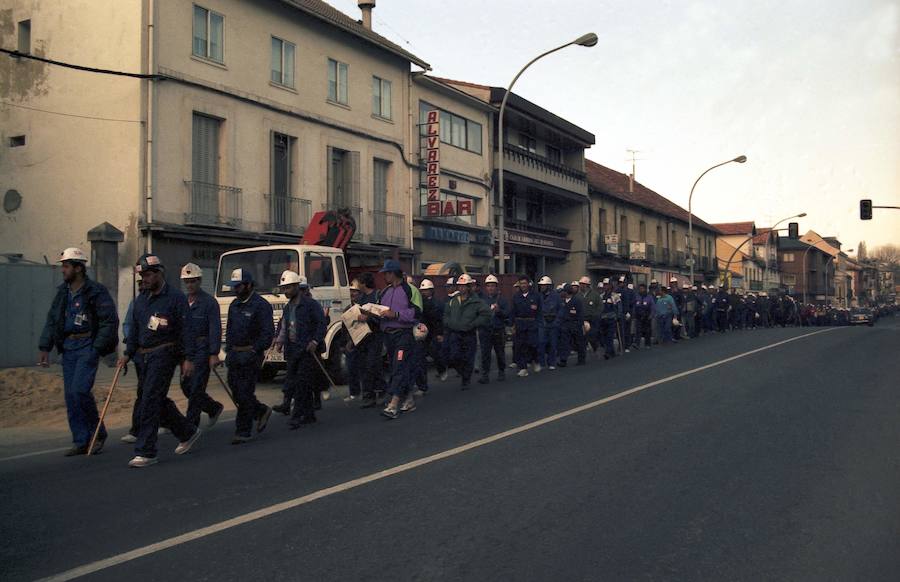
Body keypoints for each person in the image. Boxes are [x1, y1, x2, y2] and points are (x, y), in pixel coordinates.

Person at [118, 254, 201, 467]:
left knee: (149, 400)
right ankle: (187, 431)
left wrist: (188, 358)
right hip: (144, 355)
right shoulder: (141, 301)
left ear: (158, 273)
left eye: (147, 275)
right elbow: (135, 330)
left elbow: (187, 330)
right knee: (154, 398)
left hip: (165, 353)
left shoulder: (175, 298)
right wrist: (127, 353)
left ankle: (146, 451)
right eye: (141, 275)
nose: (143, 279)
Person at [38, 247, 119, 456]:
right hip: (69, 348)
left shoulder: (96, 291)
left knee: (80, 390)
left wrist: (97, 348)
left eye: (66, 266)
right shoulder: (62, 293)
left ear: (78, 268)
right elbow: (52, 320)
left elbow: (109, 321)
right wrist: (44, 347)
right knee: (71, 396)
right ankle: (81, 440)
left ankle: (97, 433)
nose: (63, 270)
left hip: (87, 346)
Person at [223, 268, 275, 444]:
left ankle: (243, 431)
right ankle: (261, 411)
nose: (235, 290)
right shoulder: (234, 305)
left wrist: (255, 350)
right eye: (234, 287)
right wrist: (228, 351)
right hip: (234, 355)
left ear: (248, 285)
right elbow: (229, 331)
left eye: (238, 286)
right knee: (236, 391)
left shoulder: (261, 306)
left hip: (251, 355)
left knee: (245, 392)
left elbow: (268, 333)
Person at [367, 260, 421, 419]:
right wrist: (368, 314)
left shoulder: (410, 290)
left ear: (394, 273)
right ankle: (409, 398)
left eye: (387, 273)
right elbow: (379, 312)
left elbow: (417, 313)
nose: (384, 276)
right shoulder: (384, 292)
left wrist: (396, 315)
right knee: (398, 368)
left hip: (403, 334)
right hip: (388, 336)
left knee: (398, 367)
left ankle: (393, 404)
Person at [274, 271, 326, 429]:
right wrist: (279, 341)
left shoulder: (310, 305)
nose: (286, 291)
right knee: (292, 381)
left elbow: (321, 323)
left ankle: (296, 416)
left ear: (297, 286)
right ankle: (309, 415)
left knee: (301, 384)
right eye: (284, 288)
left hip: (306, 350)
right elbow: (284, 326)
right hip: (292, 350)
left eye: (288, 288)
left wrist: (315, 341)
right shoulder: (288, 307)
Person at [178, 263, 224, 430]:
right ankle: (213, 407)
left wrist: (214, 353)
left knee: (197, 387)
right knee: (186, 386)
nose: (190, 285)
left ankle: (190, 427)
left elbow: (215, 328)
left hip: (202, 349)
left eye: (193, 281)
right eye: (187, 282)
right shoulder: (182, 302)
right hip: (186, 350)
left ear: (199, 281)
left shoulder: (209, 302)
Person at [443, 274, 491, 388]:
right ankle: (462, 372)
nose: (461, 288)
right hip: (455, 333)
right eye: (460, 286)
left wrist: (474, 324)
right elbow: (446, 315)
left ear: (469, 287)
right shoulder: (453, 300)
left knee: (469, 358)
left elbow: (486, 314)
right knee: (454, 356)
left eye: (464, 286)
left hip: (469, 334)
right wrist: (450, 323)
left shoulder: (476, 301)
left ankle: (466, 379)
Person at [416, 279, 447, 392]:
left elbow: (439, 320)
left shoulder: (437, 303)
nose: (424, 292)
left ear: (431, 291)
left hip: (433, 333)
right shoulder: (419, 303)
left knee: (436, 354)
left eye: (427, 290)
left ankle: (442, 369)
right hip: (423, 334)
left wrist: (440, 333)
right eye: (423, 291)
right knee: (421, 358)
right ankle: (422, 385)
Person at [479, 274, 510, 383]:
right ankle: (485, 375)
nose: (491, 288)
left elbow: (507, 314)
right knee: (485, 354)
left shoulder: (502, 299)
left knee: (500, 352)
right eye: (488, 286)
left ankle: (501, 372)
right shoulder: (482, 300)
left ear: (496, 287)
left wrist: (499, 311)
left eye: (493, 286)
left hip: (498, 329)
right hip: (485, 330)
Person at [511, 275, 542, 377]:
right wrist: (512, 325)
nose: (523, 285)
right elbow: (513, 312)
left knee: (532, 344)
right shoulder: (516, 296)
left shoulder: (535, 296)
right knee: (521, 346)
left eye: (524, 283)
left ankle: (536, 360)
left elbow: (539, 311)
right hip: (520, 324)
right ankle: (523, 367)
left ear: (528, 284)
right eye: (521, 283)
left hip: (532, 324)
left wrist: (538, 323)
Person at [557, 283, 586, 367]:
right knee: (564, 343)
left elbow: (580, 314)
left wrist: (581, 325)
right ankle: (563, 360)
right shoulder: (562, 301)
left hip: (575, 324)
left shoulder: (577, 301)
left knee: (579, 342)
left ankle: (581, 359)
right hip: (565, 325)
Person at [536, 276, 561, 370]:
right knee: (541, 343)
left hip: (553, 323)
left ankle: (552, 362)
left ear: (549, 286)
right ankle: (542, 362)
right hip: (542, 323)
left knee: (553, 344)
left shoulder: (556, 297)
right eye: (541, 286)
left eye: (544, 285)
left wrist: (556, 321)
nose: (542, 287)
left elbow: (560, 310)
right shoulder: (538, 296)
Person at [597, 279, 622, 359]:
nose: (605, 286)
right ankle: (611, 351)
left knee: (610, 336)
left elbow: (619, 307)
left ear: (610, 285)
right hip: (603, 319)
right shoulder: (601, 296)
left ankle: (608, 352)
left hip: (611, 319)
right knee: (604, 336)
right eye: (604, 285)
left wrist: (618, 316)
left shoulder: (615, 296)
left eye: (607, 284)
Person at [633, 283, 655, 349]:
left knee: (647, 331)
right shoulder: (636, 296)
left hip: (647, 316)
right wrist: (634, 314)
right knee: (638, 330)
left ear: (645, 289)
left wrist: (651, 315)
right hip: (638, 316)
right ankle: (637, 344)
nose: (640, 290)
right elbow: (634, 306)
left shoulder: (649, 297)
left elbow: (653, 307)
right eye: (639, 289)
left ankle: (647, 344)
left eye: (642, 289)